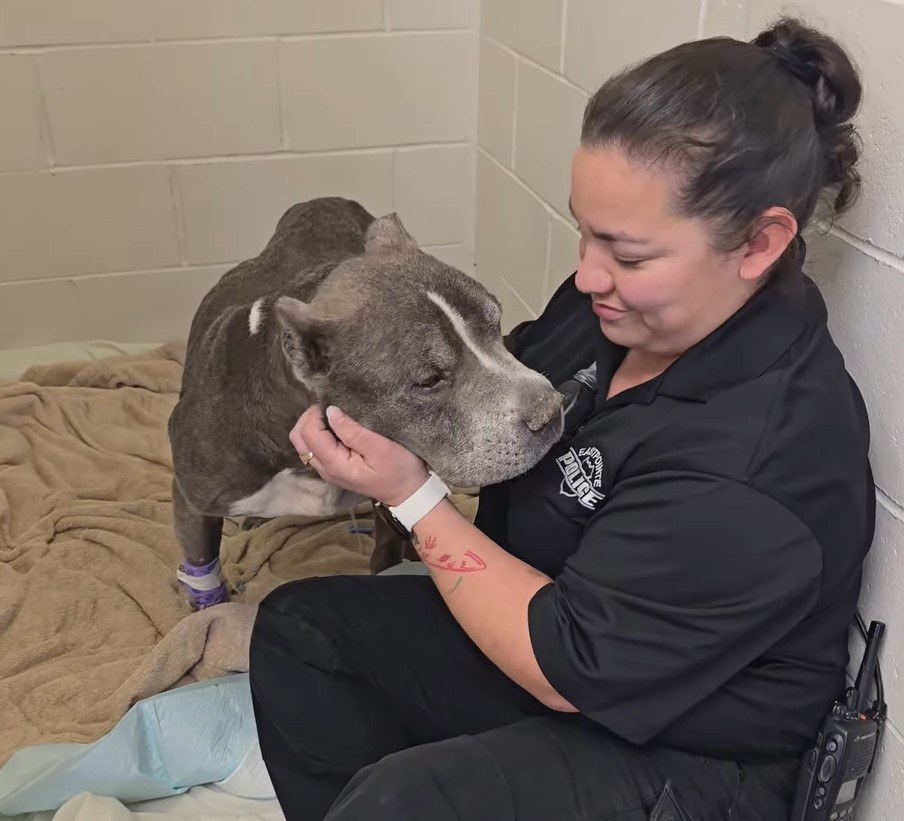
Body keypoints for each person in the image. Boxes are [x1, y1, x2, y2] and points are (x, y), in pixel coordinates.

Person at [248, 16, 876, 821]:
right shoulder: (616, 314)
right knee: (303, 632)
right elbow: (495, 384)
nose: (588, 272)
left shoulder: (760, 456)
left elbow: (563, 662)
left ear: (758, 243)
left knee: (405, 800)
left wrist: (413, 499)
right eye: (584, 230)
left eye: (628, 253)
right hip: (557, 630)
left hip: (692, 755)